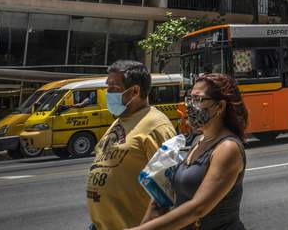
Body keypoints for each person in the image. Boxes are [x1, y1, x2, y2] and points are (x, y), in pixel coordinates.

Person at [129, 73, 248, 230]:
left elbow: (198, 208)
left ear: (220, 106)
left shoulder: (227, 148)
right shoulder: (196, 141)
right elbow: (163, 199)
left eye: (198, 99)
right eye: (189, 99)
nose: (190, 105)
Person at [87, 60, 176, 230]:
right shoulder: (120, 121)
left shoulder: (157, 126)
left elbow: (167, 190)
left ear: (135, 91)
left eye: (113, 88)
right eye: (107, 87)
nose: (107, 93)